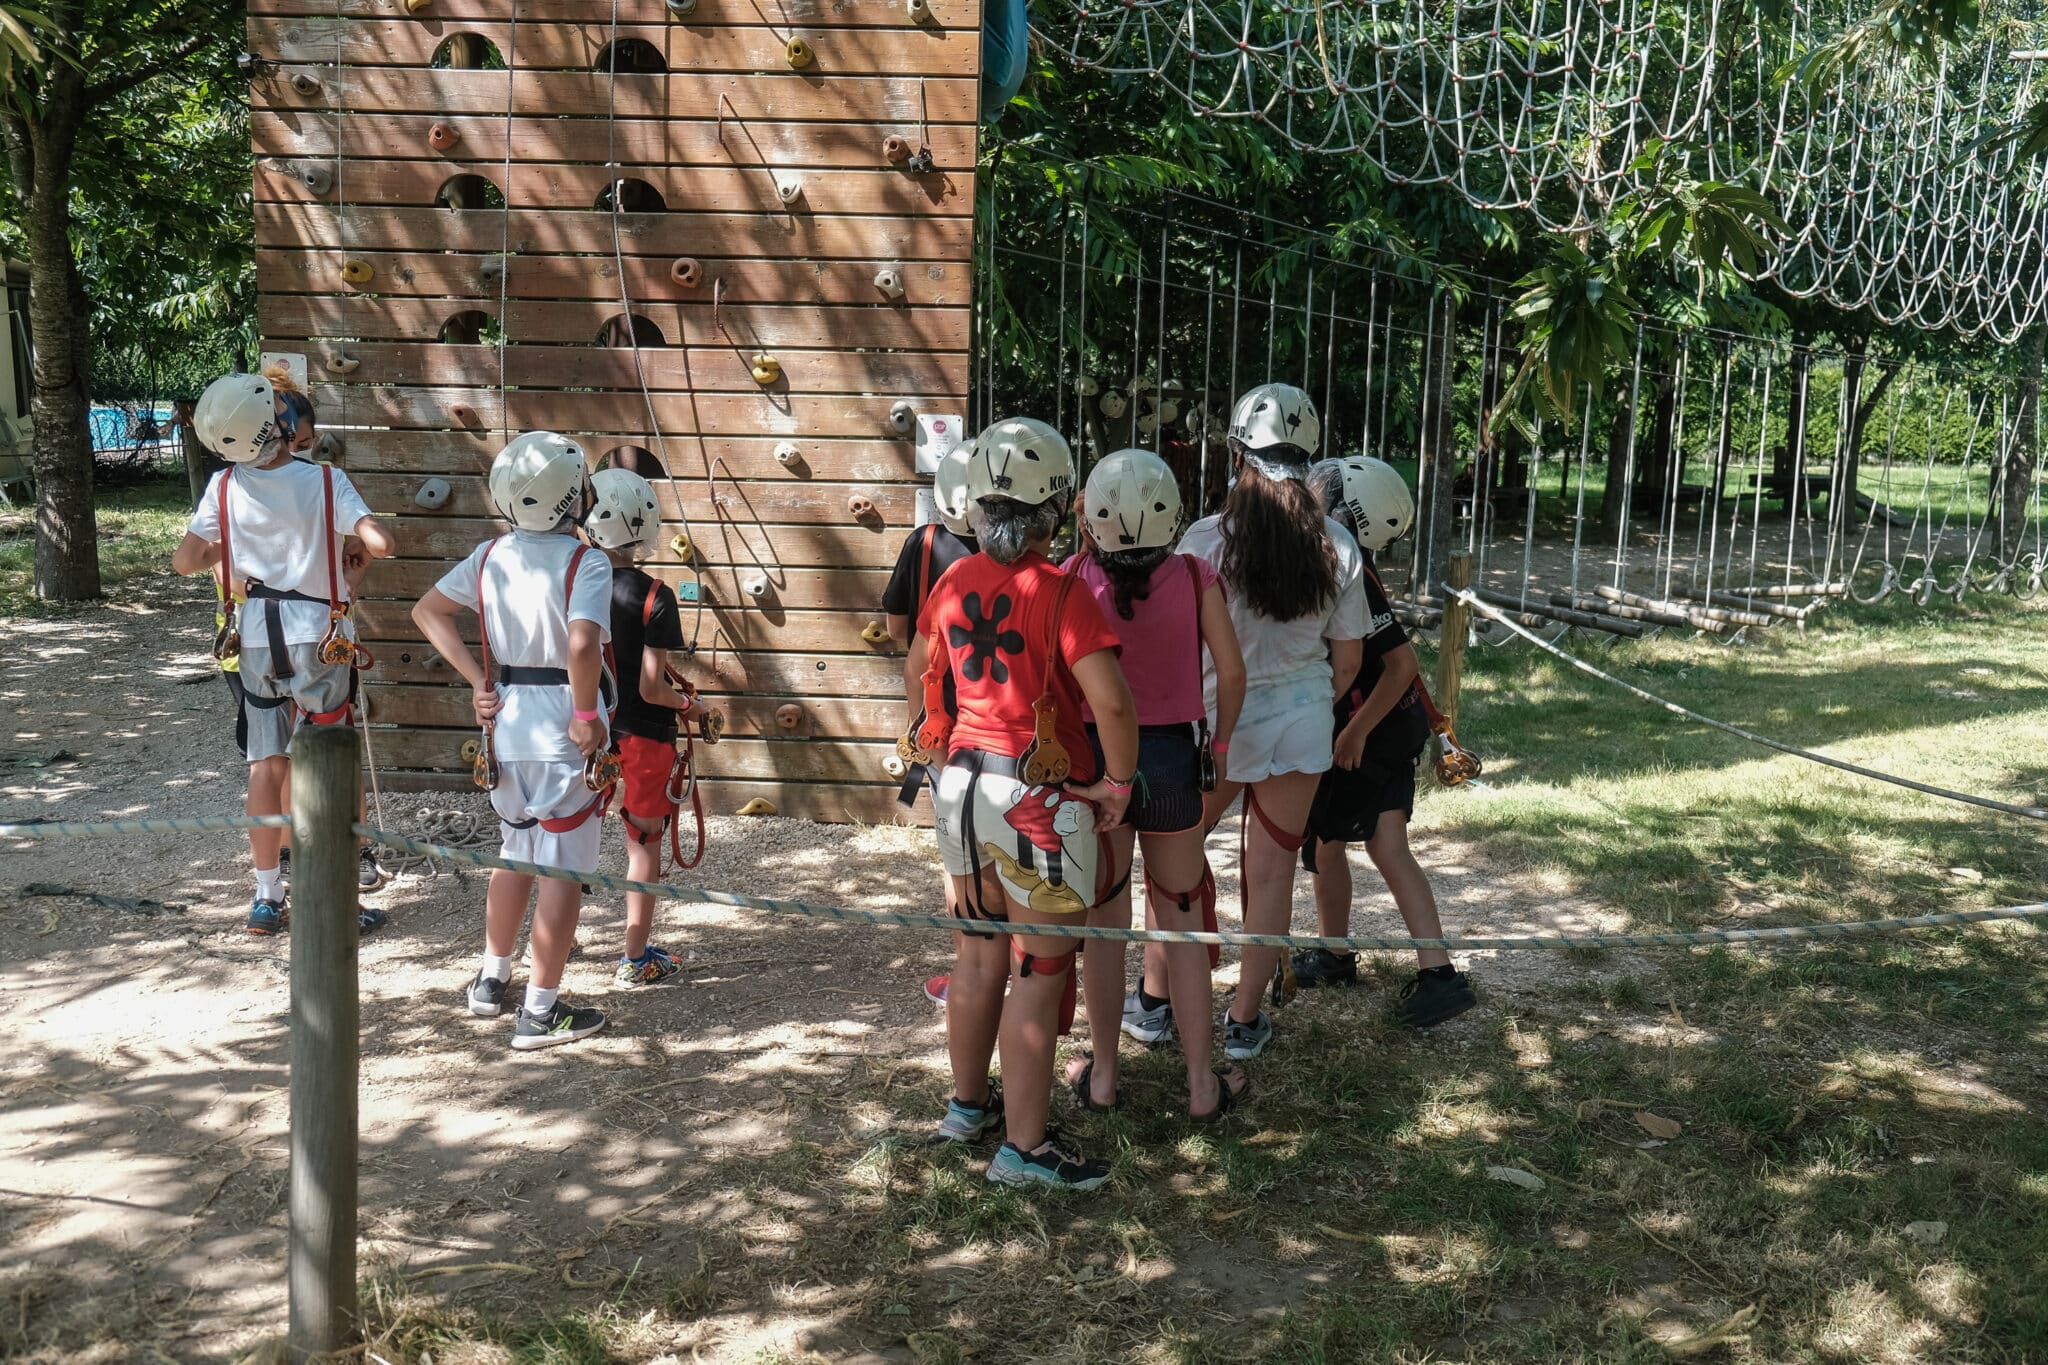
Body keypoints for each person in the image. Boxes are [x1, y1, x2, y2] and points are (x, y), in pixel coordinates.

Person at [906, 416, 1138, 1190]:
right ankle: (1026, 1148)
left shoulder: (949, 579)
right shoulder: (1064, 592)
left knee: (976, 954)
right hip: (1033, 796)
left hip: (961, 782)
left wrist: (939, 745)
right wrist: (1118, 784)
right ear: (1056, 506)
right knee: (1039, 968)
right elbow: (1112, 703)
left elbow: (918, 672)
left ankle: (966, 1108)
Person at [1126, 382, 1366, 1061]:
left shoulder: (1202, 541)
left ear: (1237, 453)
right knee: (1272, 874)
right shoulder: (1340, 545)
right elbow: (1347, 663)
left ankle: (1154, 999)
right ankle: (1243, 1018)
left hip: (1214, 727)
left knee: (1173, 865)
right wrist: (1313, 701)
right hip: (1302, 724)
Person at [169, 372, 395, 934]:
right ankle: (340, 892)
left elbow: (186, 560)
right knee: (331, 757)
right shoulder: (323, 479)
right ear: (279, 424)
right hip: (319, 634)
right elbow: (380, 542)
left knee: (267, 765)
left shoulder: (222, 487)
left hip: (256, 634)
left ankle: (267, 896)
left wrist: (241, 556)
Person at [411, 431, 616, 1051]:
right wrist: (586, 712)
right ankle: (540, 1011)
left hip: (506, 720)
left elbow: (427, 611)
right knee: (561, 871)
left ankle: (491, 981)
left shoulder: (490, 555)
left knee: (516, 851)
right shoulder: (588, 561)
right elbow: (583, 643)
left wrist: (479, 679)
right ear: (567, 499)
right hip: (560, 723)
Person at [1064, 448, 1250, 1118]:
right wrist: (1222, 746)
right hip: (1174, 759)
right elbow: (1231, 673)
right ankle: (1203, 1085)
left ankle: (1106, 1076)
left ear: (1093, 516)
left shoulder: (1073, 576)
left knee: (1104, 923)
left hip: (1094, 763)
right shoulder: (1196, 574)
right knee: (1182, 921)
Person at [1297, 457, 1477, 1026]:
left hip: (1375, 731)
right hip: (1386, 728)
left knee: (1364, 843)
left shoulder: (1355, 578)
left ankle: (1435, 973)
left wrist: (1353, 732)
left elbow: (1400, 667)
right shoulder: (1346, 566)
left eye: (1326, 498)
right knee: (1347, 843)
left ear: (1352, 515)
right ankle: (1343, 954)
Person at [586, 465, 698, 987]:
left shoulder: (575, 583)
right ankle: (634, 957)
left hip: (589, 728)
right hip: (645, 733)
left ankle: (551, 949)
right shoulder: (657, 597)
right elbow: (654, 687)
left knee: (565, 838)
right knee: (642, 843)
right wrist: (689, 706)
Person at [880, 441, 978, 1006]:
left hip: (941, 715)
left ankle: (971, 968)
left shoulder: (924, 545)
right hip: (1005, 717)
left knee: (957, 844)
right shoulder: (1013, 550)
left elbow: (899, 630)